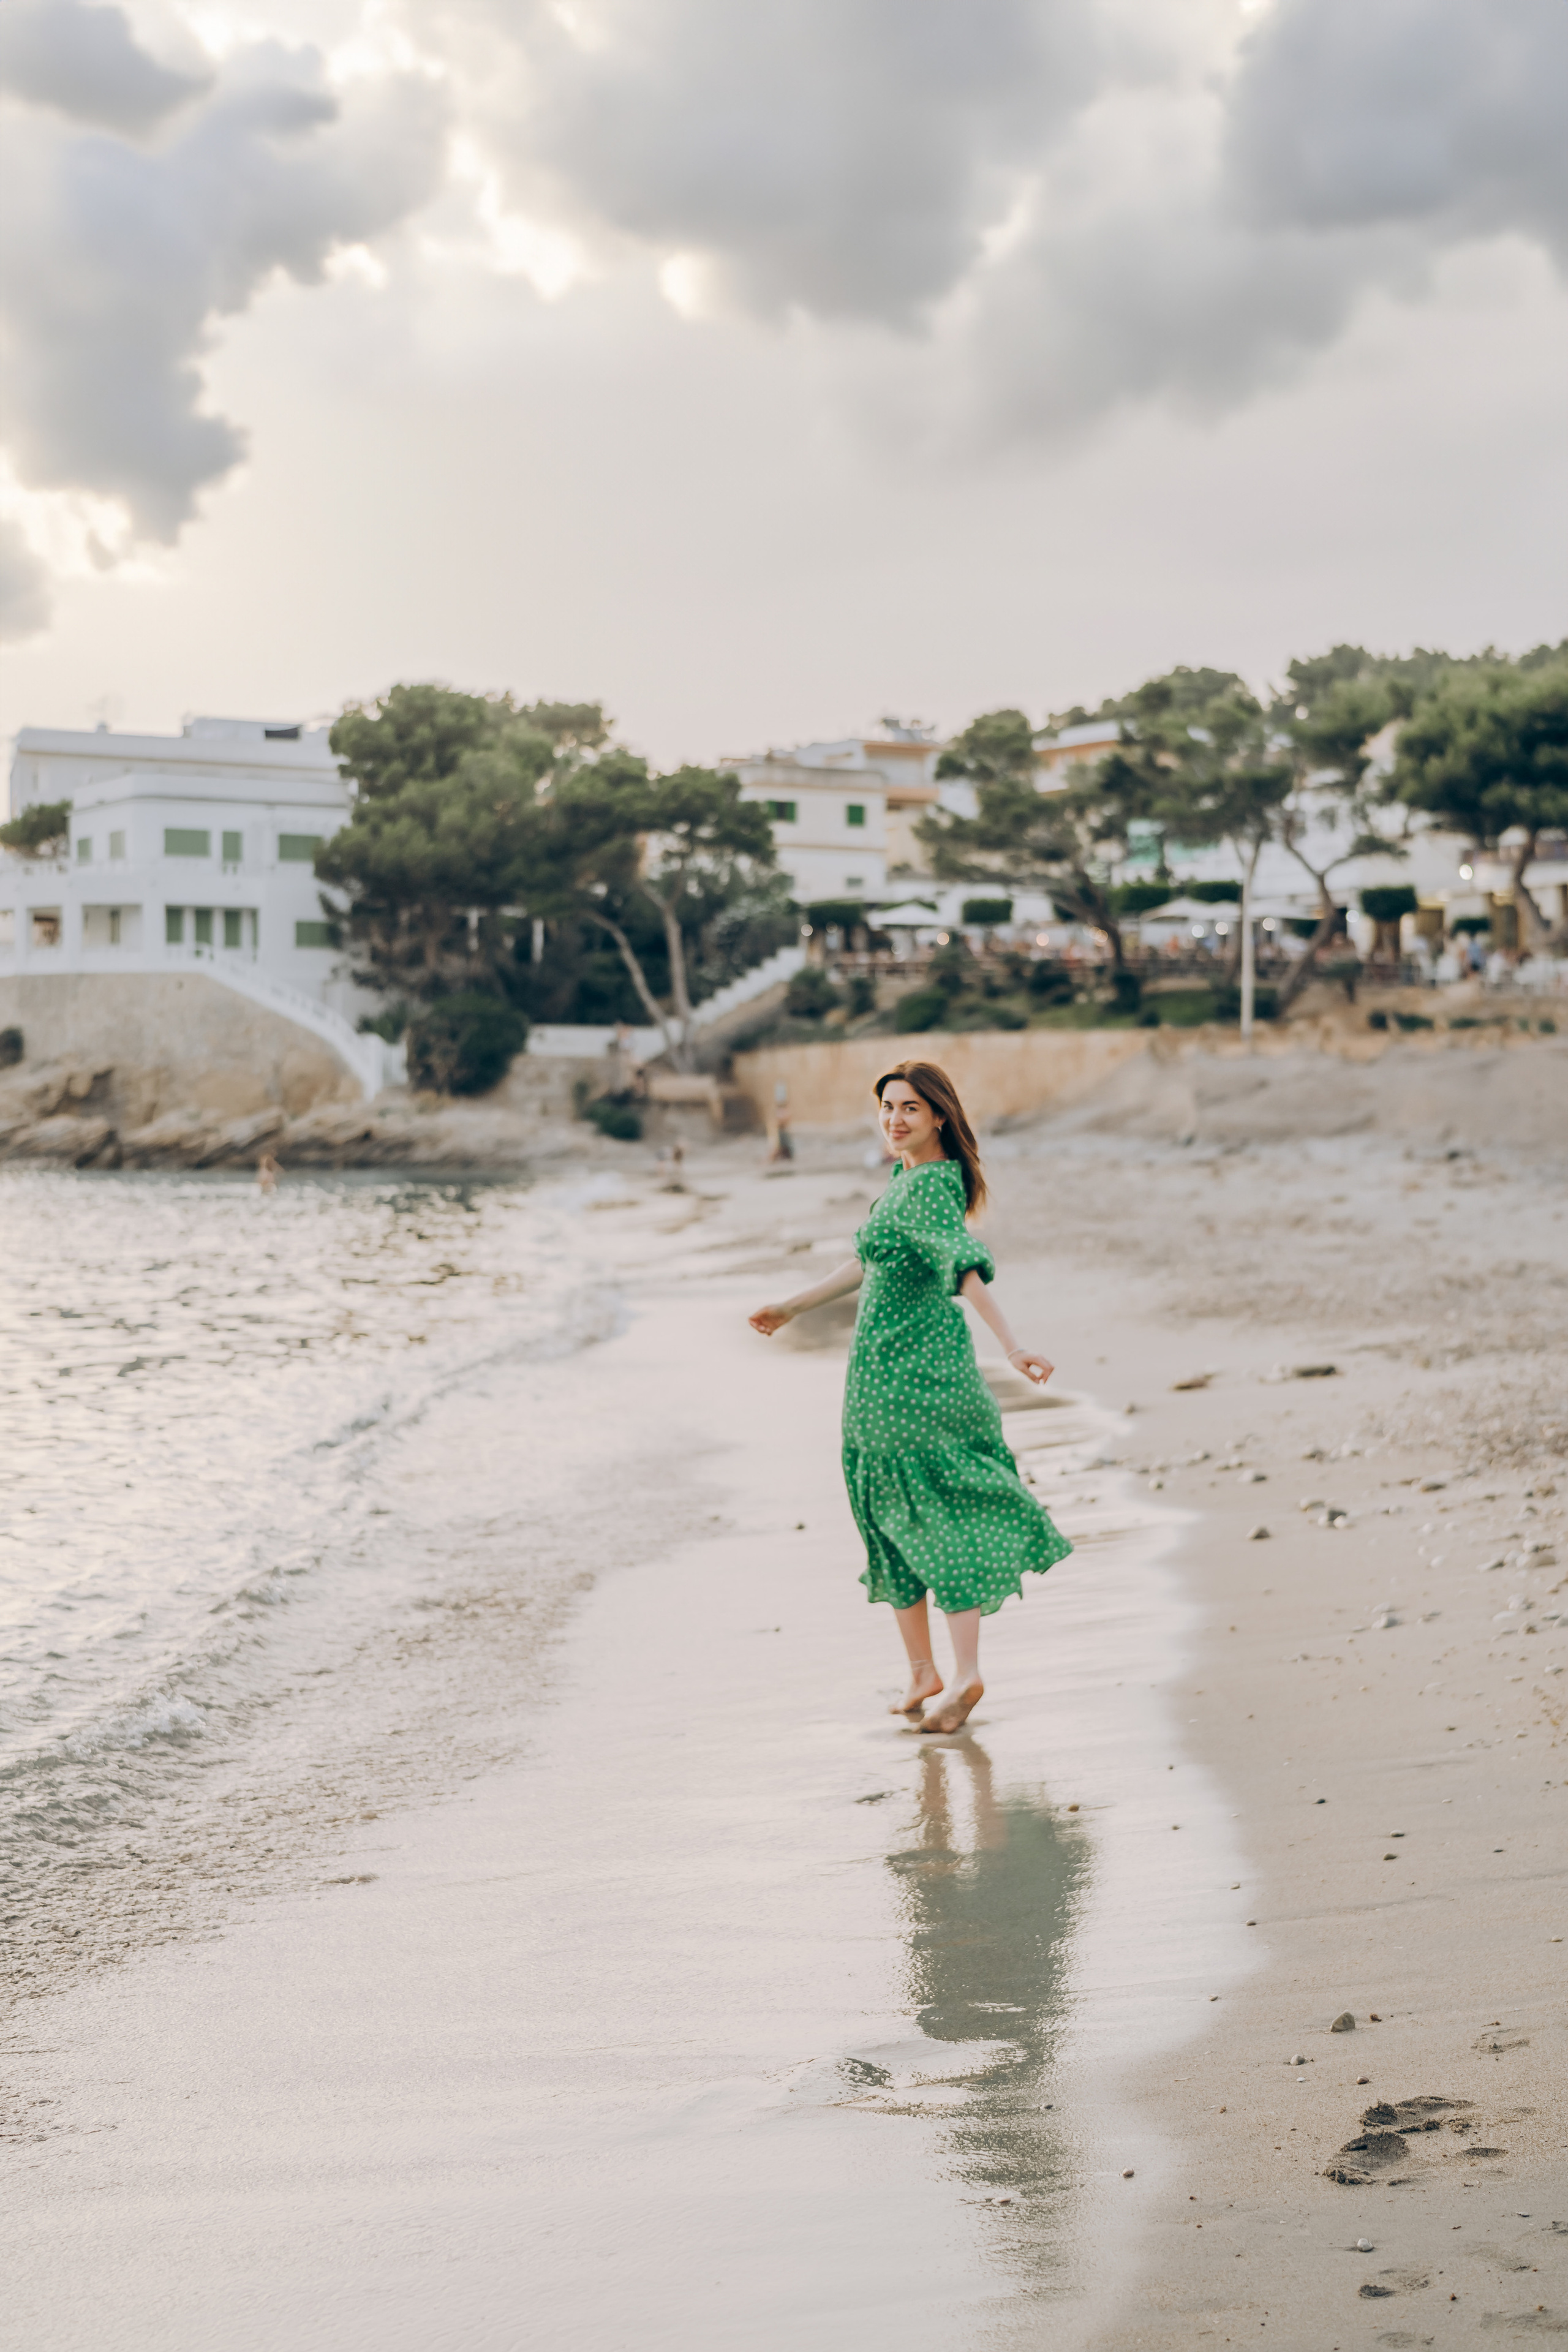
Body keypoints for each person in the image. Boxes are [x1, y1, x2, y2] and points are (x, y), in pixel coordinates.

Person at [748, 1060, 1071, 1734]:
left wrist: (1012, 1346)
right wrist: (791, 1307)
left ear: (939, 1119)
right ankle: (925, 1672)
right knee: (895, 1507)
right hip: (891, 1372)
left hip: (907, 1378)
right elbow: (867, 1261)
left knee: (922, 1512)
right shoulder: (910, 1179)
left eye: (909, 1111)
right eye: (887, 1108)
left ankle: (963, 1674)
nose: (894, 1120)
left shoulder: (929, 1188)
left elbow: (963, 1265)